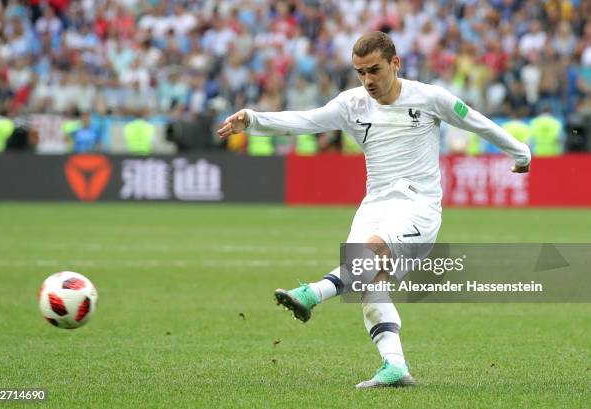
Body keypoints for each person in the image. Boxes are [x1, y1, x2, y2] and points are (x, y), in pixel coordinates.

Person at [217, 32, 531, 389]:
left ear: (395, 64)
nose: (367, 80)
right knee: (370, 287)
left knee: (373, 248)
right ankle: (395, 366)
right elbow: (306, 121)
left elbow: (476, 121)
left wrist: (521, 154)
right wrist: (254, 120)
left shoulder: (429, 98)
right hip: (375, 204)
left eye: (374, 70)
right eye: (360, 72)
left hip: (418, 205)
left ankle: (313, 293)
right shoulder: (352, 104)